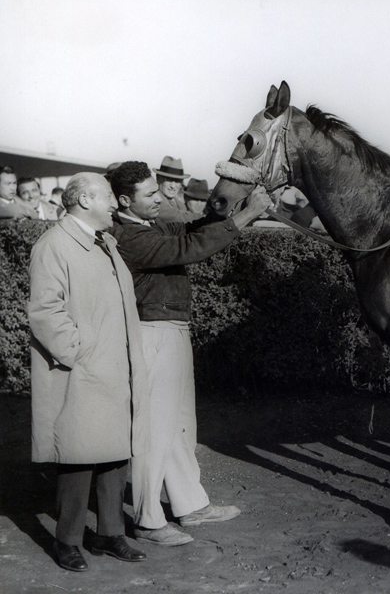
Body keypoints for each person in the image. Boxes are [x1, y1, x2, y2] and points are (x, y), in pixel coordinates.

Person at [109, 162, 272, 546]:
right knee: (155, 430)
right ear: (123, 200)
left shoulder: (148, 225)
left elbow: (190, 229)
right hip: (154, 334)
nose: (159, 198)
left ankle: (190, 505)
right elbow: (189, 248)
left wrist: (222, 207)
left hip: (172, 331)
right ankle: (148, 519)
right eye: (150, 194)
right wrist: (247, 215)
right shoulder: (127, 235)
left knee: (181, 426)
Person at [28, 173, 149, 572]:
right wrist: (80, 351)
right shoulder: (54, 245)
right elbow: (45, 312)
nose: (117, 203)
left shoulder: (106, 243)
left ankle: (110, 533)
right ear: (83, 200)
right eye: (110, 197)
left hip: (113, 367)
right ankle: (68, 540)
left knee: (115, 454)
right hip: (82, 369)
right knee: (77, 457)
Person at [155, 156, 194, 221]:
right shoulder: (155, 201)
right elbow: (177, 217)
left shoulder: (179, 203)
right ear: (158, 179)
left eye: (177, 181)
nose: (173, 186)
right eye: (168, 180)